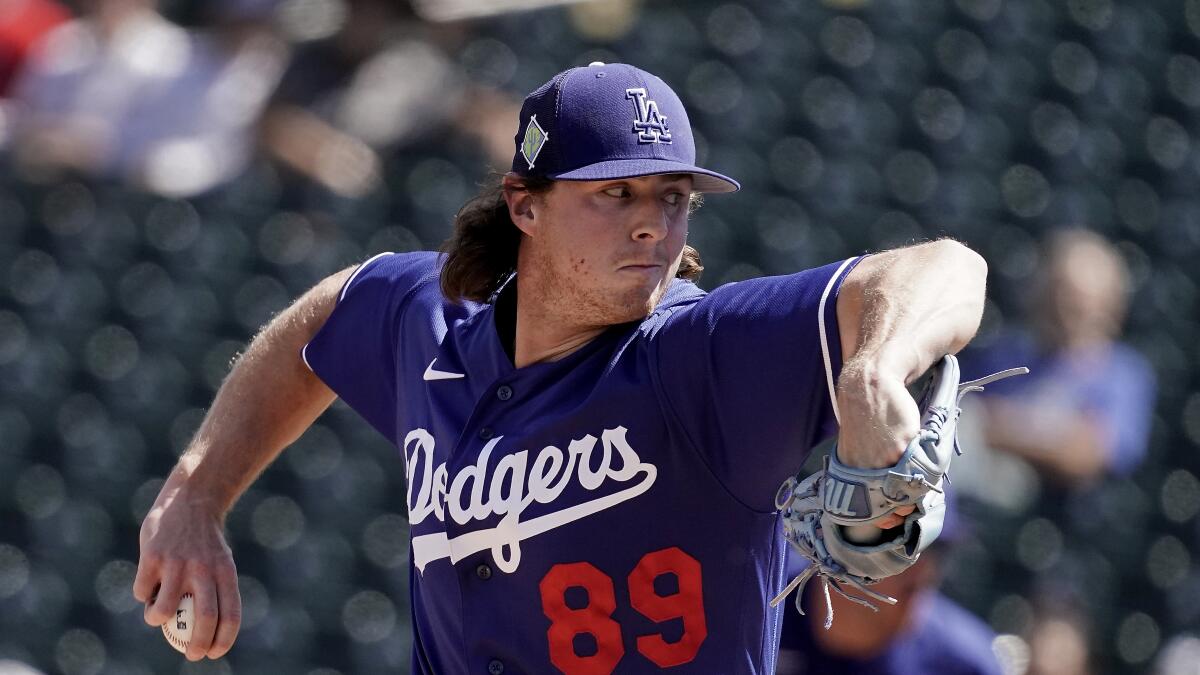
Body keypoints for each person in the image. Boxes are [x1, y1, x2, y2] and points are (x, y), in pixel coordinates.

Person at [134, 62, 989, 673]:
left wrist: (874, 369)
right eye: (616, 193)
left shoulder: (707, 357)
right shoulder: (429, 324)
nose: (653, 223)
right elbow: (324, 317)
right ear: (524, 206)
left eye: (673, 197)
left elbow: (950, 269)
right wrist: (196, 491)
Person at [776, 497, 1002, 675]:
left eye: (936, 548)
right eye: (900, 541)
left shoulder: (965, 665)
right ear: (833, 538)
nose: (921, 567)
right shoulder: (759, 603)